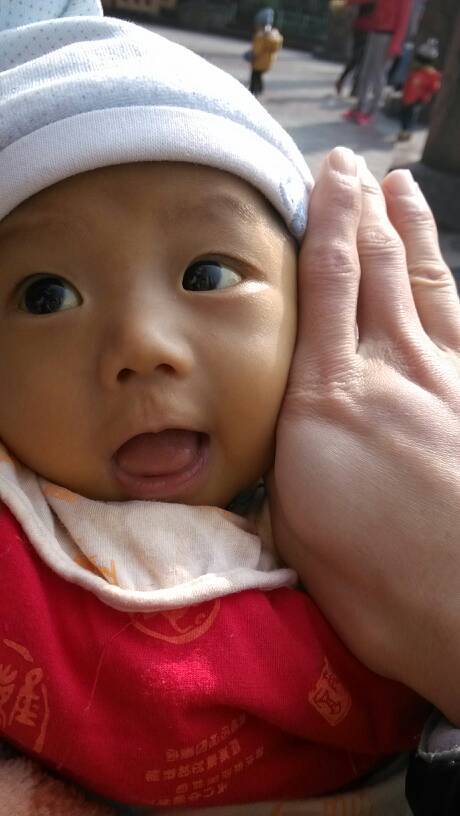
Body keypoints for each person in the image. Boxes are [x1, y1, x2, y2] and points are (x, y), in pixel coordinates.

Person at [1, 3, 460, 816]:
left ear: (316, 305)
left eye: (208, 275)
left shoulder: (391, 498)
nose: (143, 345)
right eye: (46, 295)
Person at [343, 0, 413, 125]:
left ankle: (371, 112)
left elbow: (403, 20)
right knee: (365, 72)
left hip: (388, 36)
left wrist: (396, 43)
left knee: (378, 75)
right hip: (375, 31)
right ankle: (360, 107)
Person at [398, 38, 442, 141]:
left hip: (418, 98)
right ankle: (405, 130)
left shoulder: (430, 73)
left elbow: (434, 87)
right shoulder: (417, 70)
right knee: (406, 113)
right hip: (410, 96)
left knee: (411, 114)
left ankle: (406, 131)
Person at [335, 0, 375, 96]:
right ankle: (350, 84)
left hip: (368, 29)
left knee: (359, 59)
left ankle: (351, 85)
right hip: (363, 29)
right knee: (358, 59)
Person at [248, 10, 283, 97]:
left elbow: (257, 49)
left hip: (259, 61)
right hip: (265, 61)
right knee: (258, 75)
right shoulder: (273, 35)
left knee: (255, 75)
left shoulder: (263, 35)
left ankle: (254, 90)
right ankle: (258, 89)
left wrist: (252, 55)